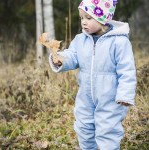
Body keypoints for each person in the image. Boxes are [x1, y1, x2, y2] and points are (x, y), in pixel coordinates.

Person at [44, 0, 137, 149]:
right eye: (81, 18)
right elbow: (73, 56)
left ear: (103, 19)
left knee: (107, 131)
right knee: (83, 127)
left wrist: (125, 94)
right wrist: (61, 60)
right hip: (85, 96)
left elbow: (127, 70)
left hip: (110, 98)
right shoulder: (80, 40)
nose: (83, 22)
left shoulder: (119, 42)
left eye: (89, 18)